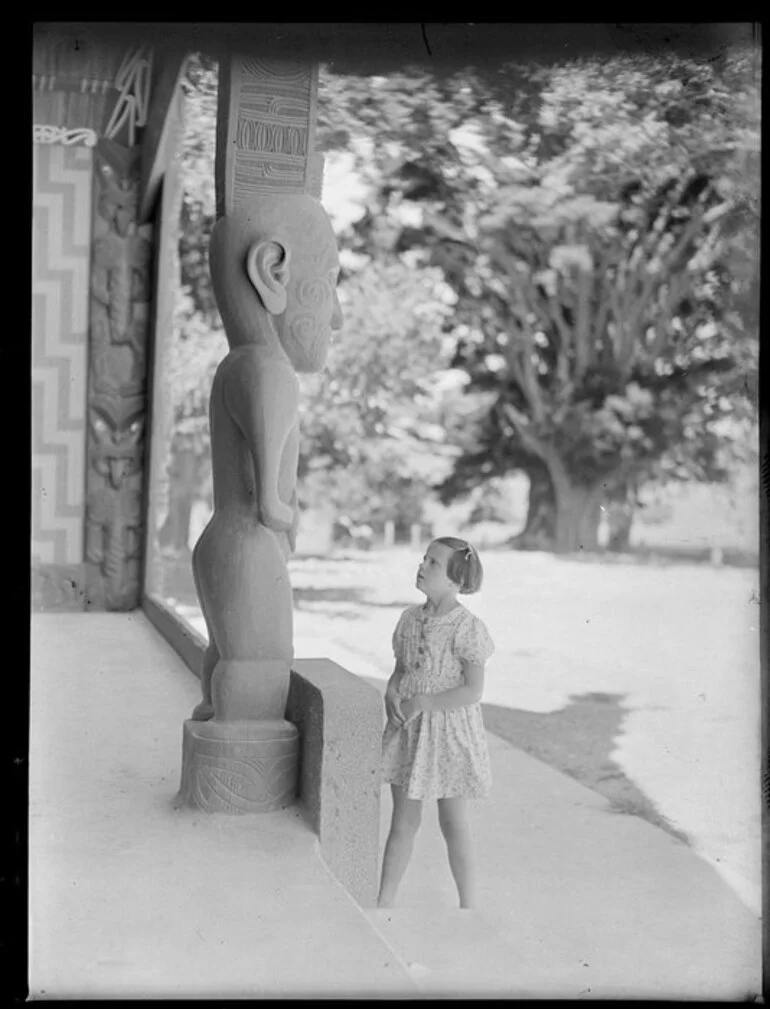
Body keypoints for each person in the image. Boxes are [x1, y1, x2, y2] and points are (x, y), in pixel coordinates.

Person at [378, 537, 494, 909]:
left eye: (433, 564)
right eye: (423, 559)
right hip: (410, 731)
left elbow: (472, 691)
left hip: (448, 734)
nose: (422, 566)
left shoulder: (466, 627)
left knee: (453, 822)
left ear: (456, 581)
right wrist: (392, 692)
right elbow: (401, 671)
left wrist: (426, 702)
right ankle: (384, 904)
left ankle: (469, 905)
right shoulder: (409, 620)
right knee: (403, 822)